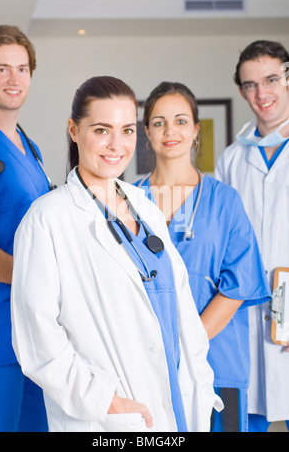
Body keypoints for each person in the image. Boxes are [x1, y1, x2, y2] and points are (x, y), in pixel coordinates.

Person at [11, 76, 223, 433]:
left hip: (179, 402)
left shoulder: (145, 207)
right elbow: (37, 339)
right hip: (113, 416)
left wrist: (199, 382)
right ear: (74, 130)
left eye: (126, 130)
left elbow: (182, 312)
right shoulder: (47, 219)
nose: (116, 145)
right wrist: (105, 401)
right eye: (101, 129)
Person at [134, 81, 271, 432]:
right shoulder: (127, 203)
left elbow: (237, 287)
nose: (170, 131)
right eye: (159, 122)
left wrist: (184, 344)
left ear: (196, 130)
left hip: (216, 358)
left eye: (181, 121)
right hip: (146, 362)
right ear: (146, 132)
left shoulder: (225, 202)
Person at [215, 40, 289, 432]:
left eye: (271, 79)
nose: (262, 94)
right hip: (246, 313)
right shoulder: (231, 160)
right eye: (250, 85)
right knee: (250, 413)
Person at [0, 25, 51, 432]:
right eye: (1, 68)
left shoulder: (29, 145)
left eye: (22, 69)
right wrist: (33, 278)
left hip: (34, 320)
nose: (14, 79)